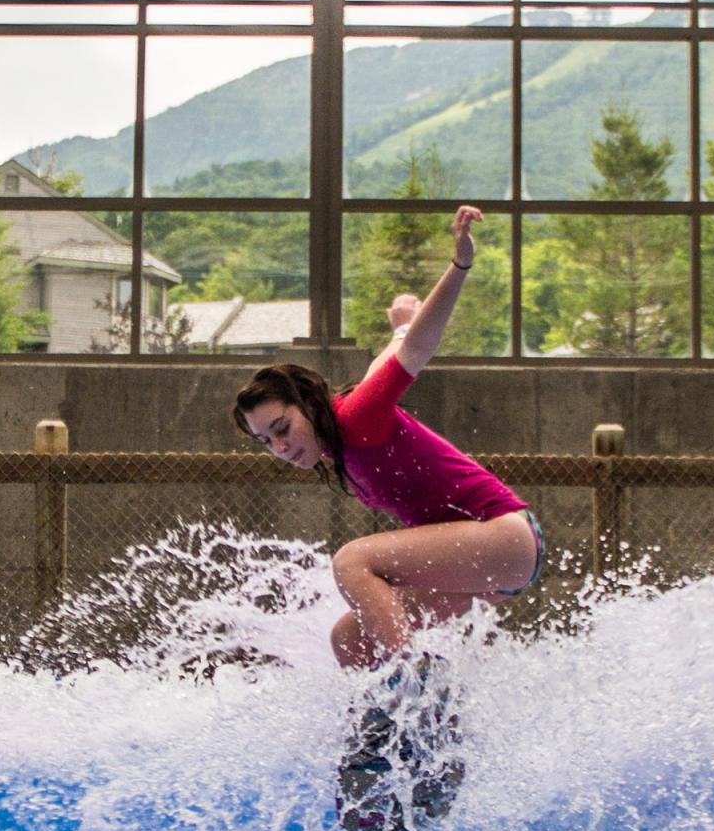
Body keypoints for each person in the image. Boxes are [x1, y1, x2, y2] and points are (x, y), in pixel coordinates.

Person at [232, 206, 545, 671]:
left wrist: (460, 265)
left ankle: (407, 673)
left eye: (282, 428)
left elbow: (417, 348)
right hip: (482, 569)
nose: (280, 447)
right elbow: (391, 354)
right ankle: (417, 714)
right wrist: (400, 325)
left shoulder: (357, 415)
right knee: (349, 640)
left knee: (352, 561)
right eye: (266, 442)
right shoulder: (341, 438)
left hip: (504, 536)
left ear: (308, 404)